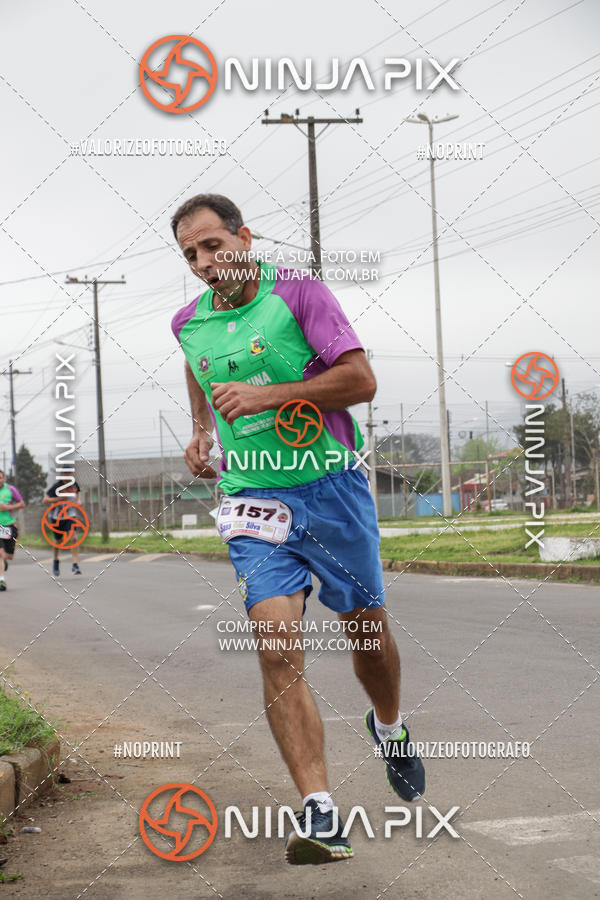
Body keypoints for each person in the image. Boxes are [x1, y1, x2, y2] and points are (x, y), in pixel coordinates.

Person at [171, 194, 425, 865]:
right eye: (190, 254)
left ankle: (390, 726)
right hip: (254, 499)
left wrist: (267, 397)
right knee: (276, 646)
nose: (203, 263)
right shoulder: (187, 322)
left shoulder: (301, 295)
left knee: (367, 632)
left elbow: (360, 379)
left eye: (213, 246)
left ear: (244, 238)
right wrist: (201, 432)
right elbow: (200, 365)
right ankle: (321, 814)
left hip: (332, 488)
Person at [42, 479, 82, 576]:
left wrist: (78, 502)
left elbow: (78, 497)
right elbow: (45, 500)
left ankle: (75, 565)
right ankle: (56, 561)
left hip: (70, 515)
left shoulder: (74, 484)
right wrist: (60, 499)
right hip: (57, 517)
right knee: (59, 541)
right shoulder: (56, 486)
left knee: (74, 538)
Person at [0, 470, 25, 592]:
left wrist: (7, 507)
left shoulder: (10, 489)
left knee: (9, 556)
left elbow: (21, 504)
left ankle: (4, 560)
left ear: (4, 479)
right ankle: (2, 580)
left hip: (9, 526)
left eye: (0, 478)